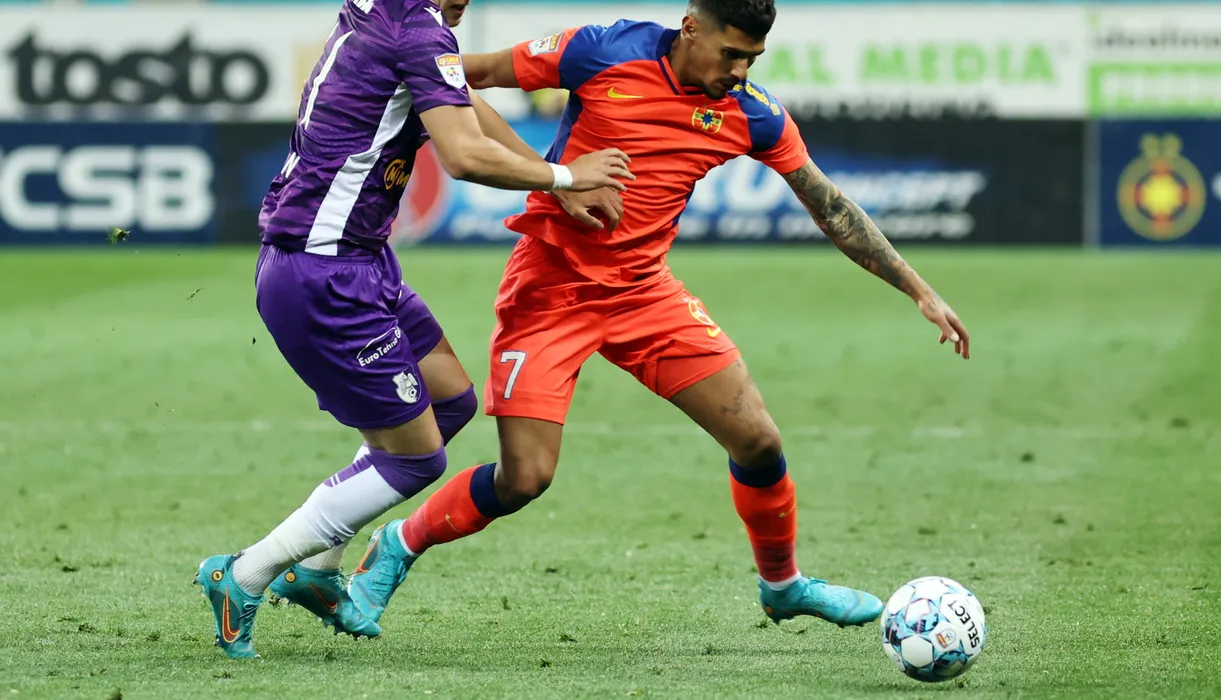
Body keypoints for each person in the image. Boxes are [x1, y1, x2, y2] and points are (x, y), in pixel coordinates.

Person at [346, 0, 970, 633]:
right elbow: (456, 75)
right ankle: (400, 542)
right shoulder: (603, 50)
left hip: (645, 293)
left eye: (752, 59)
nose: (740, 71)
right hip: (550, 290)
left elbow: (829, 205)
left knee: (758, 440)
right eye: (732, 54)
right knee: (524, 479)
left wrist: (918, 289)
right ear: (691, 28)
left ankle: (783, 586)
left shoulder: (752, 113)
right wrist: (551, 178)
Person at [192, 0, 633, 660]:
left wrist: (552, 188)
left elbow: (464, 106)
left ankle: (316, 570)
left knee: (451, 400)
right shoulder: (416, 28)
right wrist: (567, 174)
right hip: (322, 275)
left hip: (361, 261)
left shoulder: (393, 15)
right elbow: (463, 155)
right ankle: (245, 575)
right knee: (417, 458)